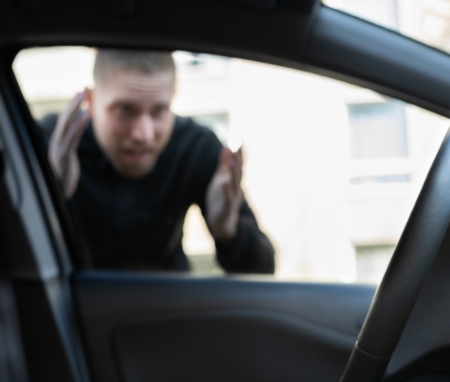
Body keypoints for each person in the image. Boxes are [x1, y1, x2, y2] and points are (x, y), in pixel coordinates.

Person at [41, 49, 275, 273]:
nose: (144, 134)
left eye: (159, 111)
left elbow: (263, 270)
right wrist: (50, 194)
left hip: (167, 304)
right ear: (91, 102)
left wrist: (229, 231)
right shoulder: (55, 145)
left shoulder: (194, 147)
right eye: (125, 109)